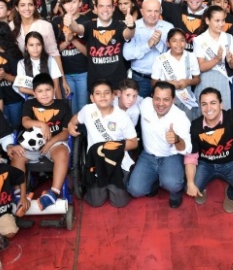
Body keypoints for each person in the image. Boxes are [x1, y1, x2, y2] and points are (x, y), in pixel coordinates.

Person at [68, 80, 138, 208]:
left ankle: (117, 185)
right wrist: (71, 124)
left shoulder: (122, 116)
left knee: (119, 203)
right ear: (92, 98)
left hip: (117, 163)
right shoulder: (88, 110)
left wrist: (112, 148)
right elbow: (76, 118)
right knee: (96, 202)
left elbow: (133, 143)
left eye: (106, 93)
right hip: (96, 163)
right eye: (98, 93)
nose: (103, 96)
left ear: (113, 96)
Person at [10, 73, 71, 210]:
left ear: (54, 89)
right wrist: (42, 125)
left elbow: (66, 132)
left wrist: (50, 142)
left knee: (63, 152)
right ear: (34, 93)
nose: (44, 94)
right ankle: (19, 194)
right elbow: (25, 122)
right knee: (16, 156)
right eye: (40, 91)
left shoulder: (62, 106)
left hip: (54, 144)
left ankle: (54, 192)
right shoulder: (29, 104)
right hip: (31, 145)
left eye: (48, 90)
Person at [127, 82, 191, 208]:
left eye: (166, 99)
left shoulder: (180, 117)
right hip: (147, 156)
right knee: (134, 190)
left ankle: (176, 193)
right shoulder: (145, 103)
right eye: (157, 99)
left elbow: (187, 148)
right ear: (152, 96)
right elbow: (128, 99)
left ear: (173, 99)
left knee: (173, 183)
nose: (161, 104)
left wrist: (177, 140)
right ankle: (155, 181)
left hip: (170, 156)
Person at [66, 0, 135, 90]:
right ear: (95, 8)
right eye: (101, 6)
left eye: (108, 6)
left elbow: (128, 34)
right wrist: (70, 23)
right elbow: (77, 28)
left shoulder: (120, 25)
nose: (105, 9)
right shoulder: (89, 25)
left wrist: (131, 26)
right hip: (96, 84)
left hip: (118, 84)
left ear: (113, 8)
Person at [123, 0, 174, 97]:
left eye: (156, 11)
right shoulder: (133, 27)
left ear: (160, 12)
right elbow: (127, 55)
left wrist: (158, 43)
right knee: (138, 106)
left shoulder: (169, 27)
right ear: (142, 12)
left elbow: (173, 55)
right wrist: (148, 45)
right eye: (149, 11)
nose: (153, 14)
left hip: (163, 78)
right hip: (140, 78)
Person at [193, 6, 233, 116]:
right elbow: (201, 67)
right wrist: (216, 59)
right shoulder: (199, 40)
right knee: (206, 113)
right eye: (217, 21)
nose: (221, 24)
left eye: (223, 20)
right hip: (205, 81)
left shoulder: (228, 37)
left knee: (223, 114)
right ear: (207, 20)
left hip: (223, 80)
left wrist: (231, 60)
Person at [150, 28, 201, 121]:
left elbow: (197, 79)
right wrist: (168, 83)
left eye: (182, 40)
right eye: (174, 41)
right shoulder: (161, 59)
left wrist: (187, 82)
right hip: (166, 101)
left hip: (186, 100)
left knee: (186, 124)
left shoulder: (191, 56)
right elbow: (154, 82)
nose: (178, 44)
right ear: (168, 43)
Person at [52, 0, 90, 113]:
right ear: (62, 5)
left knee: (83, 106)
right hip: (65, 73)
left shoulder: (86, 21)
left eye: (74, 2)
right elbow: (54, 51)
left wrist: (73, 39)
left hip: (83, 71)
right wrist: (66, 42)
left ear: (80, 3)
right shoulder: (56, 21)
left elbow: (89, 53)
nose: (70, 6)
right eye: (67, 2)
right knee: (71, 108)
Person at [0, 21, 25, 129]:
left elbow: (22, 79)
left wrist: (5, 76)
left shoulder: (14, 53)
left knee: (16, 126)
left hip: (14, 98)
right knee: (3, 126)